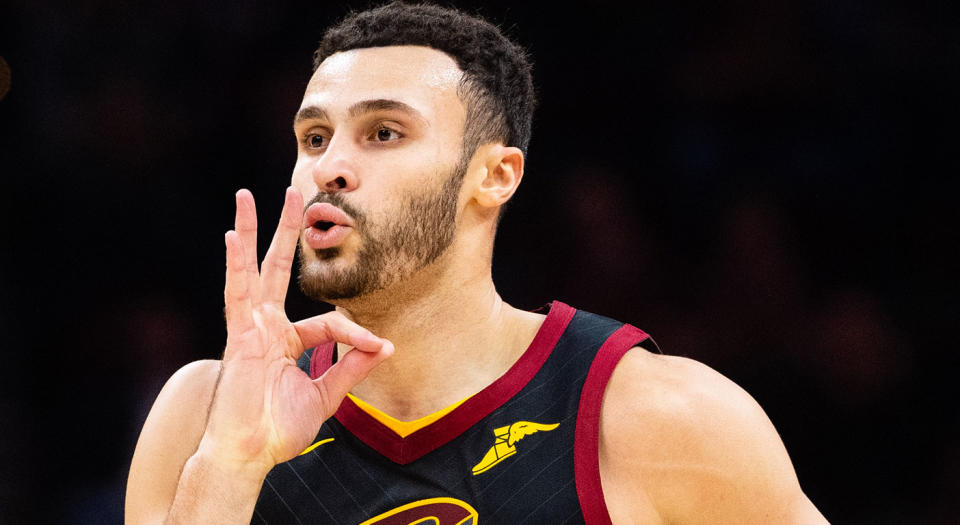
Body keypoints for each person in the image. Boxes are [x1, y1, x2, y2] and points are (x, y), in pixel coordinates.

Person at [126, 2, 828, 523]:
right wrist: (229, 468)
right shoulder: (202, 418)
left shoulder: (659, 416)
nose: (329, 167)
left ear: (494, 176)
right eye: (314, 137)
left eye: (383, 132)